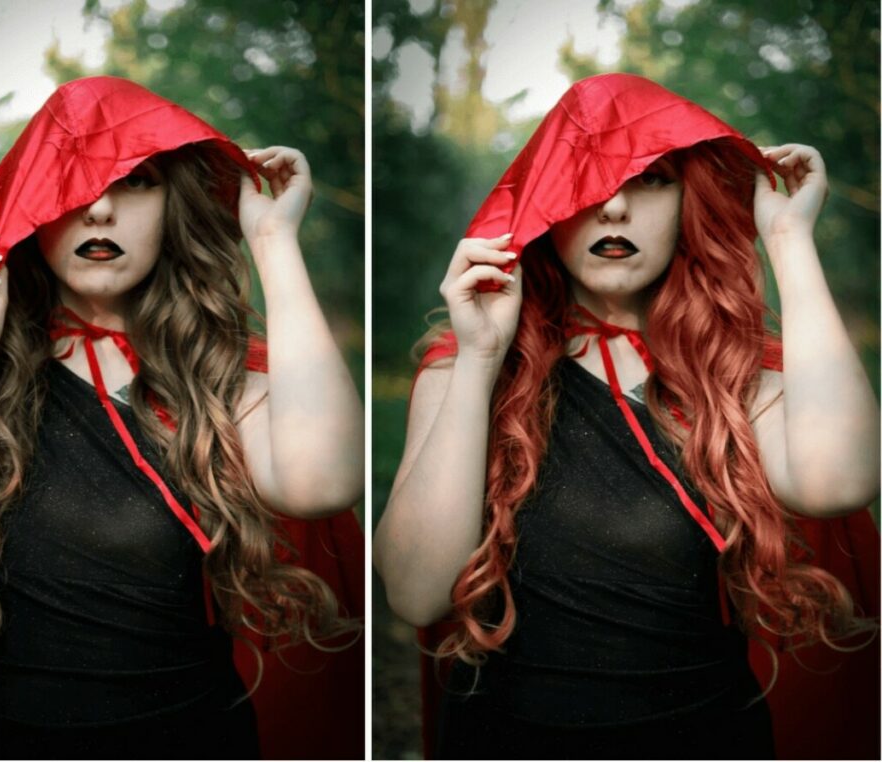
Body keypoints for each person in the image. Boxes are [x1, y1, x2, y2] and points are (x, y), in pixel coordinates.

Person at [374, 73, 879, 760]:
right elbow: (414, 593)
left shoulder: (735, 372)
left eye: (652, 180)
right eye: (583, 182)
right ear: (544, 208)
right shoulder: (468, 368)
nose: (613, 207)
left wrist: (789, 239)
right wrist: (478, 359)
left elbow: (840, 483)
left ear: (689, 202)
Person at [0, 76, 364, 759]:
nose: (99, 209)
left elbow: (323, 484)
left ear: (173, 205)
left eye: (137, 182)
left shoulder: (221, 372)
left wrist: (273, 242)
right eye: (70, 184)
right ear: (31, 210)